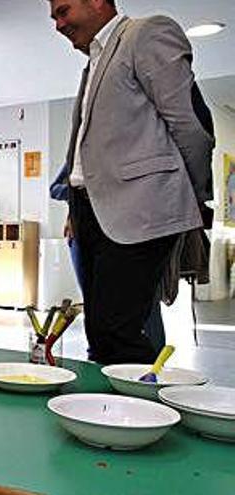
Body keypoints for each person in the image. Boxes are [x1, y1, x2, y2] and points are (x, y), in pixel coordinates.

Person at [49, 0, 214, 364]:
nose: (58, 24)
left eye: (63, 11)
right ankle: (106, 412)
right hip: (89, 209)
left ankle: (141, 414)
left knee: (119, 328)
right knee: (101, 330)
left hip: (139, 207)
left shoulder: (146, 33)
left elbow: (191, 126)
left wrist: (192, 198)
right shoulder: (93, 61)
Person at [50, 164, 165, 353]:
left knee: (146, 302)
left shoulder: (139, 149)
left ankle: (153, 365)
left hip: (134, 230)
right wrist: (84, 192)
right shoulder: (80, 153)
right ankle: (98, 353)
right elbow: (55, 189)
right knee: (95, 303)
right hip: (86, 231)